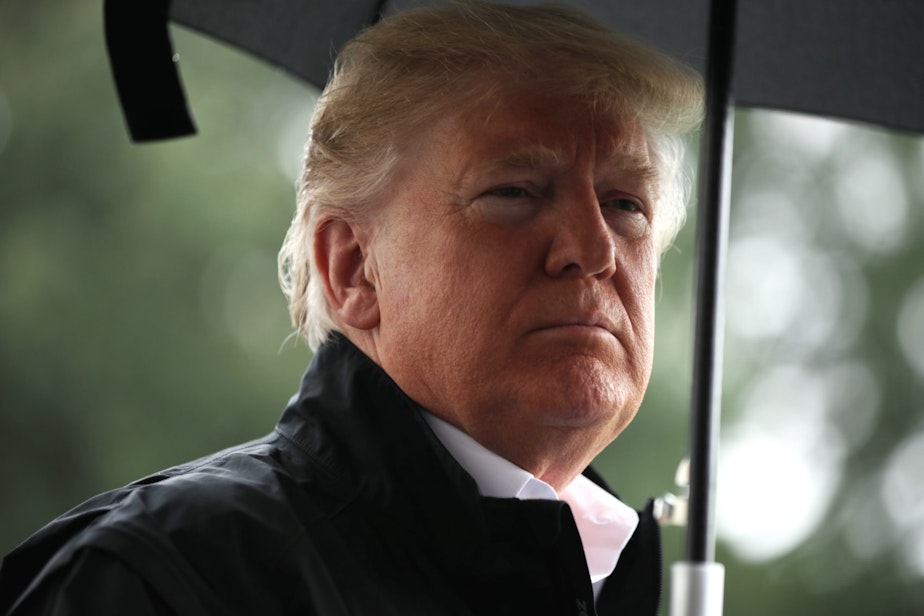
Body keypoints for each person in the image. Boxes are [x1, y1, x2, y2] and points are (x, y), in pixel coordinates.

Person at [0, 2, 702, 614]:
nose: (593, 248)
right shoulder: (158, 579)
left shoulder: (622, 580)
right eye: (515, 191)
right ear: (354, 269)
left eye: (625, 205)